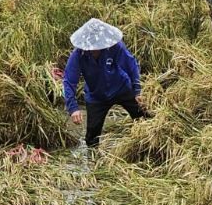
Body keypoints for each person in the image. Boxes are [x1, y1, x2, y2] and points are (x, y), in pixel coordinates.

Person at [62, 18, 149, 147]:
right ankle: (93, 161)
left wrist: (137, 91)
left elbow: (131, 66)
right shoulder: (78, 55)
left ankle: (147, 145)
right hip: (96, 96)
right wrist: (73, 108)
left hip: (121, 88)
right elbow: (69, 81)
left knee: (144, 119)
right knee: (91, 138)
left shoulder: (115, 47)